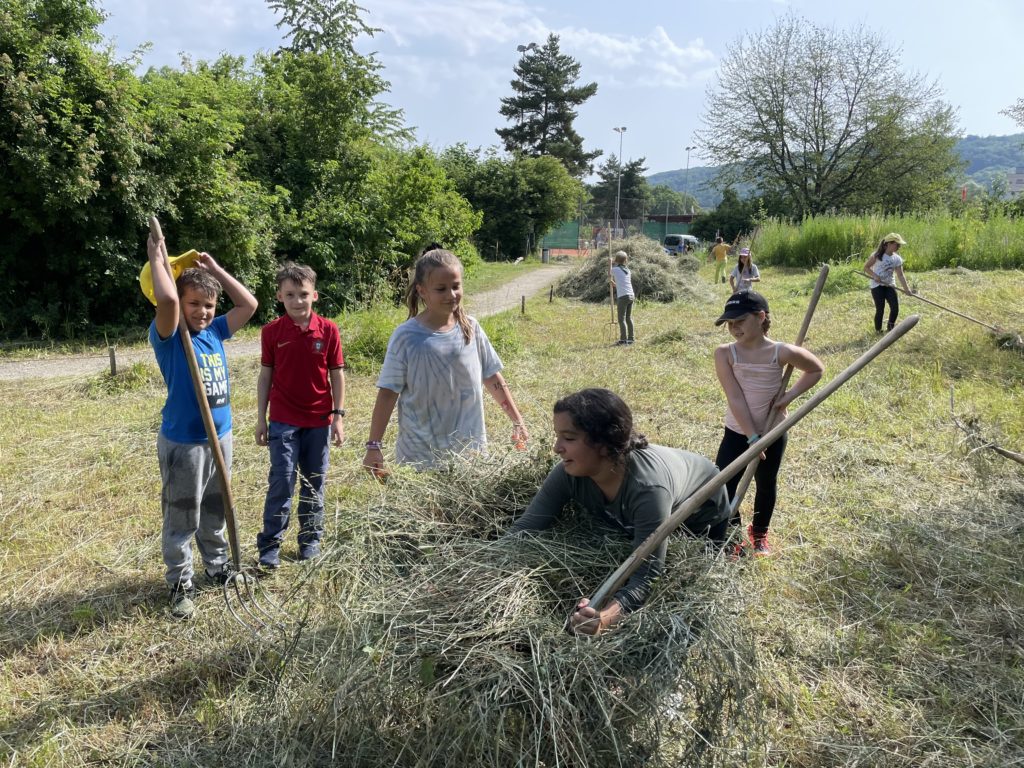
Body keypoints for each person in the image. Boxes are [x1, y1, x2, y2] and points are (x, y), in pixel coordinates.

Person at [506, 388, 731, 636]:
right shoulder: (569, 473)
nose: (556, 448)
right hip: (649, 507)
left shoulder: (648, 491)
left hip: (700, 515)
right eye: (557, 437)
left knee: (691, 596)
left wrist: (603, 620)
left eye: (569, 438)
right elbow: (524, 528)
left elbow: (646, 577)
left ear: (604, 444)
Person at [147, 234, 258, 620]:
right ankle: (180, 583)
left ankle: (218, 565)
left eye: (208, 305)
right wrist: (158, 260)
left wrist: (215, 272)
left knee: (216, 506)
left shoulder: (214, 332)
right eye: (195, 304)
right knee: (183, 514)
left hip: (220, 437)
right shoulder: (169, 335)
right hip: (185, 442)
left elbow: (249, 304)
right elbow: (168, 301)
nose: (203, 312)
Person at [362, 246, 529, 474]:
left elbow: (492, 377)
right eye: (441, 289)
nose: (451, 295)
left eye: (456, 286)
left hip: (470, 456)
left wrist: (517, 420)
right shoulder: (406, 337)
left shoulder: (471, 328)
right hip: (419, 460)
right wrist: (374, 445)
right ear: (422, 291)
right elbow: (388, 393)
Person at [712, 292, 823, 556]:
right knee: (724, 484)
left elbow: (816, 369)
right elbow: (735, 397)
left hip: (773, 431)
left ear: (761, 317)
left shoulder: (780, 352)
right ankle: (733, 533)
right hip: (738, 432)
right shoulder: (725, 353)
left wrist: (787, 397)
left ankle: (759, 533)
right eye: (729, 323)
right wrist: (752, 438)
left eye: (739, 321)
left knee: (765, 483)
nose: (734, 328)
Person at [255, 262, 345, 570]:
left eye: (303, 294)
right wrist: (260, 418)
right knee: (282, 480)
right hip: (283, 419)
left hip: (319, 421)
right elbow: (266, 376)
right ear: (279, 296)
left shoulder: (329, 331)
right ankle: (269, 547)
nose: (297, 301)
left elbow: (337, 374)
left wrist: (338, 415)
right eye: (290, 294)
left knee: (314, 482)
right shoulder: (271, 332)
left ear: (314, 295)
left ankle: (310, 541)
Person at [863, 233, 912, 333]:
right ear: (889, 244)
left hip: (890, 285)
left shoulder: (897, 258)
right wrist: (875, 276)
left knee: (895, 308)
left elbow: (900, 275)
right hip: (877, 286)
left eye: (899, 245)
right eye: (897, 244)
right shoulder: (877, 256)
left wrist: (907, 289)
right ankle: (878, 330)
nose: (899, 247)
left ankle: (890, 330)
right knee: (880, 309)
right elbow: (866, 268)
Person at [610, 250, 635, 345]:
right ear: (626, 260)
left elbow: (609, 274)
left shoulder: (615, 269)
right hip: (631, 295)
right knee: (628, 318)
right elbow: (623, 283)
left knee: (621, 319)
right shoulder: (628, 271)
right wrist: (615, 284)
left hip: (623, 297)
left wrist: (609, 264)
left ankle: (623, 340)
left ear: (616, 260)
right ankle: (631, 339)